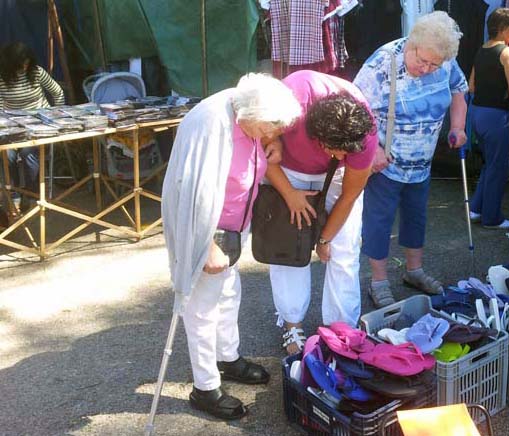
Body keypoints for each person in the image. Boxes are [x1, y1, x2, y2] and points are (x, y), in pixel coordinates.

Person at [161, 73, 301, 420]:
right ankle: (205, 388)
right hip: (207, 229)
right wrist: (204, 244)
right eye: (270, 129)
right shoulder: (210, 124)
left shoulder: (246, 108)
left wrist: (270, 147)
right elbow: (188, 189)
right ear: (252, 115)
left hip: (235, 224)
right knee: (202, 309)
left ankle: (228, 358)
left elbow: (252, 151)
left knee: (229, 294)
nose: (273, 135)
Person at [353, 11, 468, 308]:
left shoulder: (444, 60)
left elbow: (458, 91)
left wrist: (457, 127)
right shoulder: (382, 62)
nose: (427, 68)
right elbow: (355, 108)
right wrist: (373, 149)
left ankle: (413, 271)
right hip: (386, 163)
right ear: (411, 43)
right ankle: (378, 281)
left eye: (434, 64)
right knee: (378, 221)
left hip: (422, 163)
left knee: (416, 217)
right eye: (422, 60)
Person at [266, 70, 377, 355]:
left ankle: (342, 331)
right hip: (289, 168)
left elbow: (350, 195)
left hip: (337, 178)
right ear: (318, 138)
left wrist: (325, 239)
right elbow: (259, 150)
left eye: (346, 152)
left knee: (345, 250)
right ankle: (292, 326)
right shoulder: (292, 99)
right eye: (336, 150)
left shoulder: (364, 135)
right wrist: (289, 195)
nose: (342, 156)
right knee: (288, 248)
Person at [467, 8, 509, 229]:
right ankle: (492, 218)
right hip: (496, 115)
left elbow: (471, 86)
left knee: (490, 164)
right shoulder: (507, 52)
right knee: (498, 167)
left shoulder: (481, 50)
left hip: (478, 113)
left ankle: (477, 208)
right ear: (502, 28)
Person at [0, 42, 64, 211]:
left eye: (27, 61)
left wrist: (56, 116)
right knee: (7, 154)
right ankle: (13, 193)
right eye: (21, 63)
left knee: (29, 153)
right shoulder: (2, 77)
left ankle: (30, 193)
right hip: (12, 125)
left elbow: (57, 92)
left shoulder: (36, 72)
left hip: (38, 123)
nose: (25, 65)